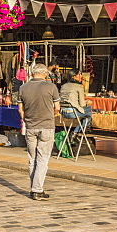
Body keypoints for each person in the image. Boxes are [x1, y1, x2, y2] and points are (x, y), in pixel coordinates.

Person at [18, 64, 61, 201]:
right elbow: (57, 108)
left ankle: (34, 187)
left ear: (32, 73)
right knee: (43, 158)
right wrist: (51, 116)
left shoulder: (23, 87)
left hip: (30, 126)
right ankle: (37, 189)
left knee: (32, 158)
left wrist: (27, 120)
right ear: (45, 74)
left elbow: (21, 110)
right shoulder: (51, 87)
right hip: (46, 126)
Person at [59, 69, 92, 137]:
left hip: (63, 112)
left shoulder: (64, 86)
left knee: (86, 114)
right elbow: (82, 104)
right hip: (73, 112)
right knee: (89, 113)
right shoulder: (79, 86)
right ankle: (75, 132)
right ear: (73, 76)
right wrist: (87, 103)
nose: (81, 76)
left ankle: (76, 133)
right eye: (79, 74)